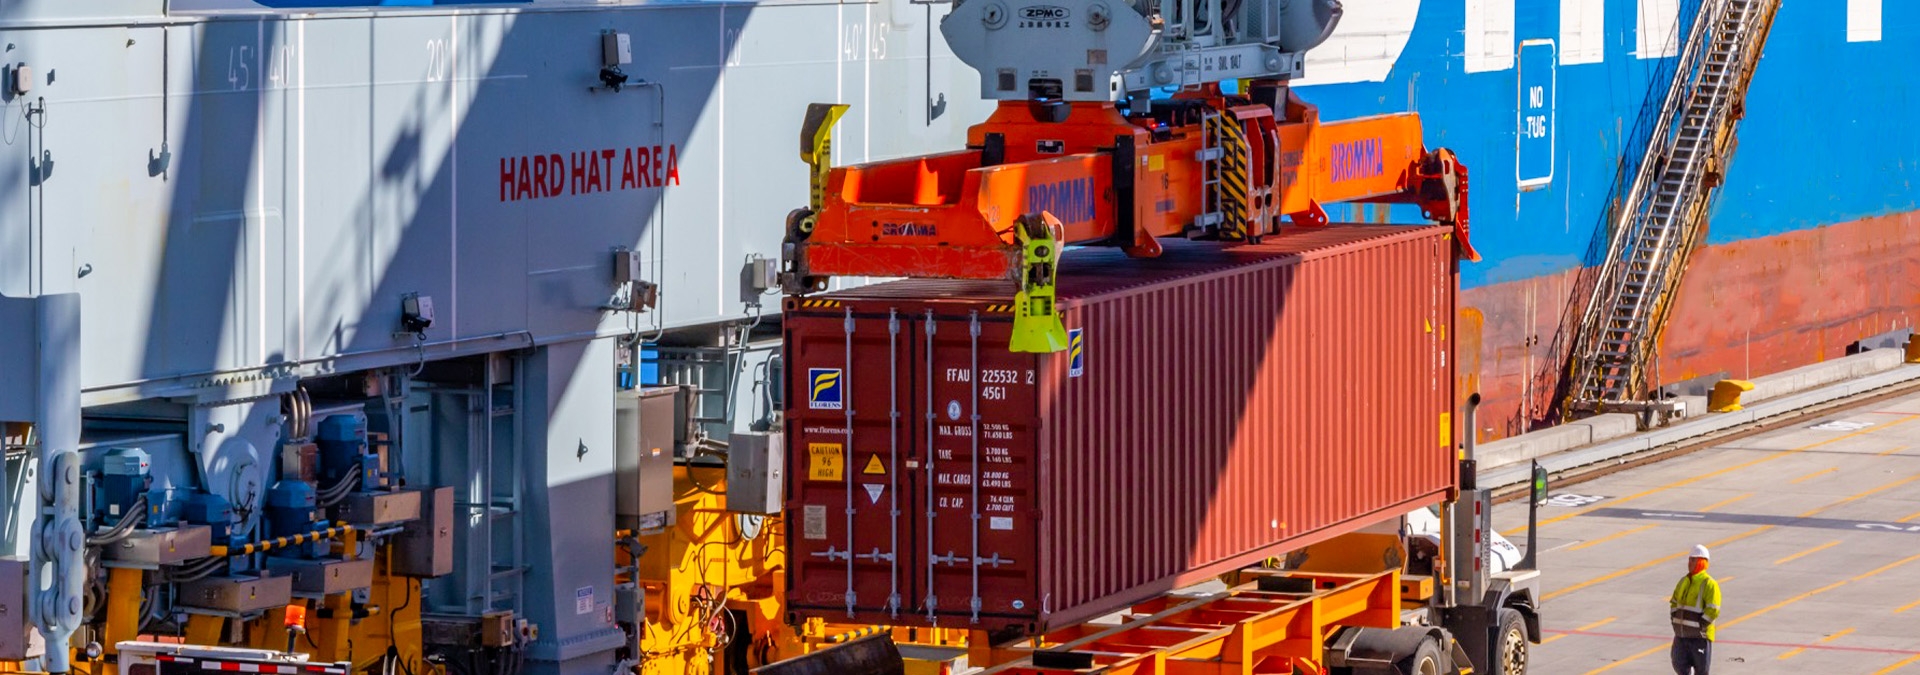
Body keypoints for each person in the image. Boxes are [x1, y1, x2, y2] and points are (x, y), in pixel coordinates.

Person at [1670, 544, 1721, 674]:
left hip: (1699, 638)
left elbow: (1713, 609)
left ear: (1701, 562)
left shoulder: (1709, 584)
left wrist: (1701, 626)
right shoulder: (1683, 581)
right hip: (1681, 635)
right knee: (1678, 664)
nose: (1690, 563)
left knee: (1701, 670)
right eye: (1689, 559)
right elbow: (1674, 602)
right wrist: (1675, 621)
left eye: (1693, 560)